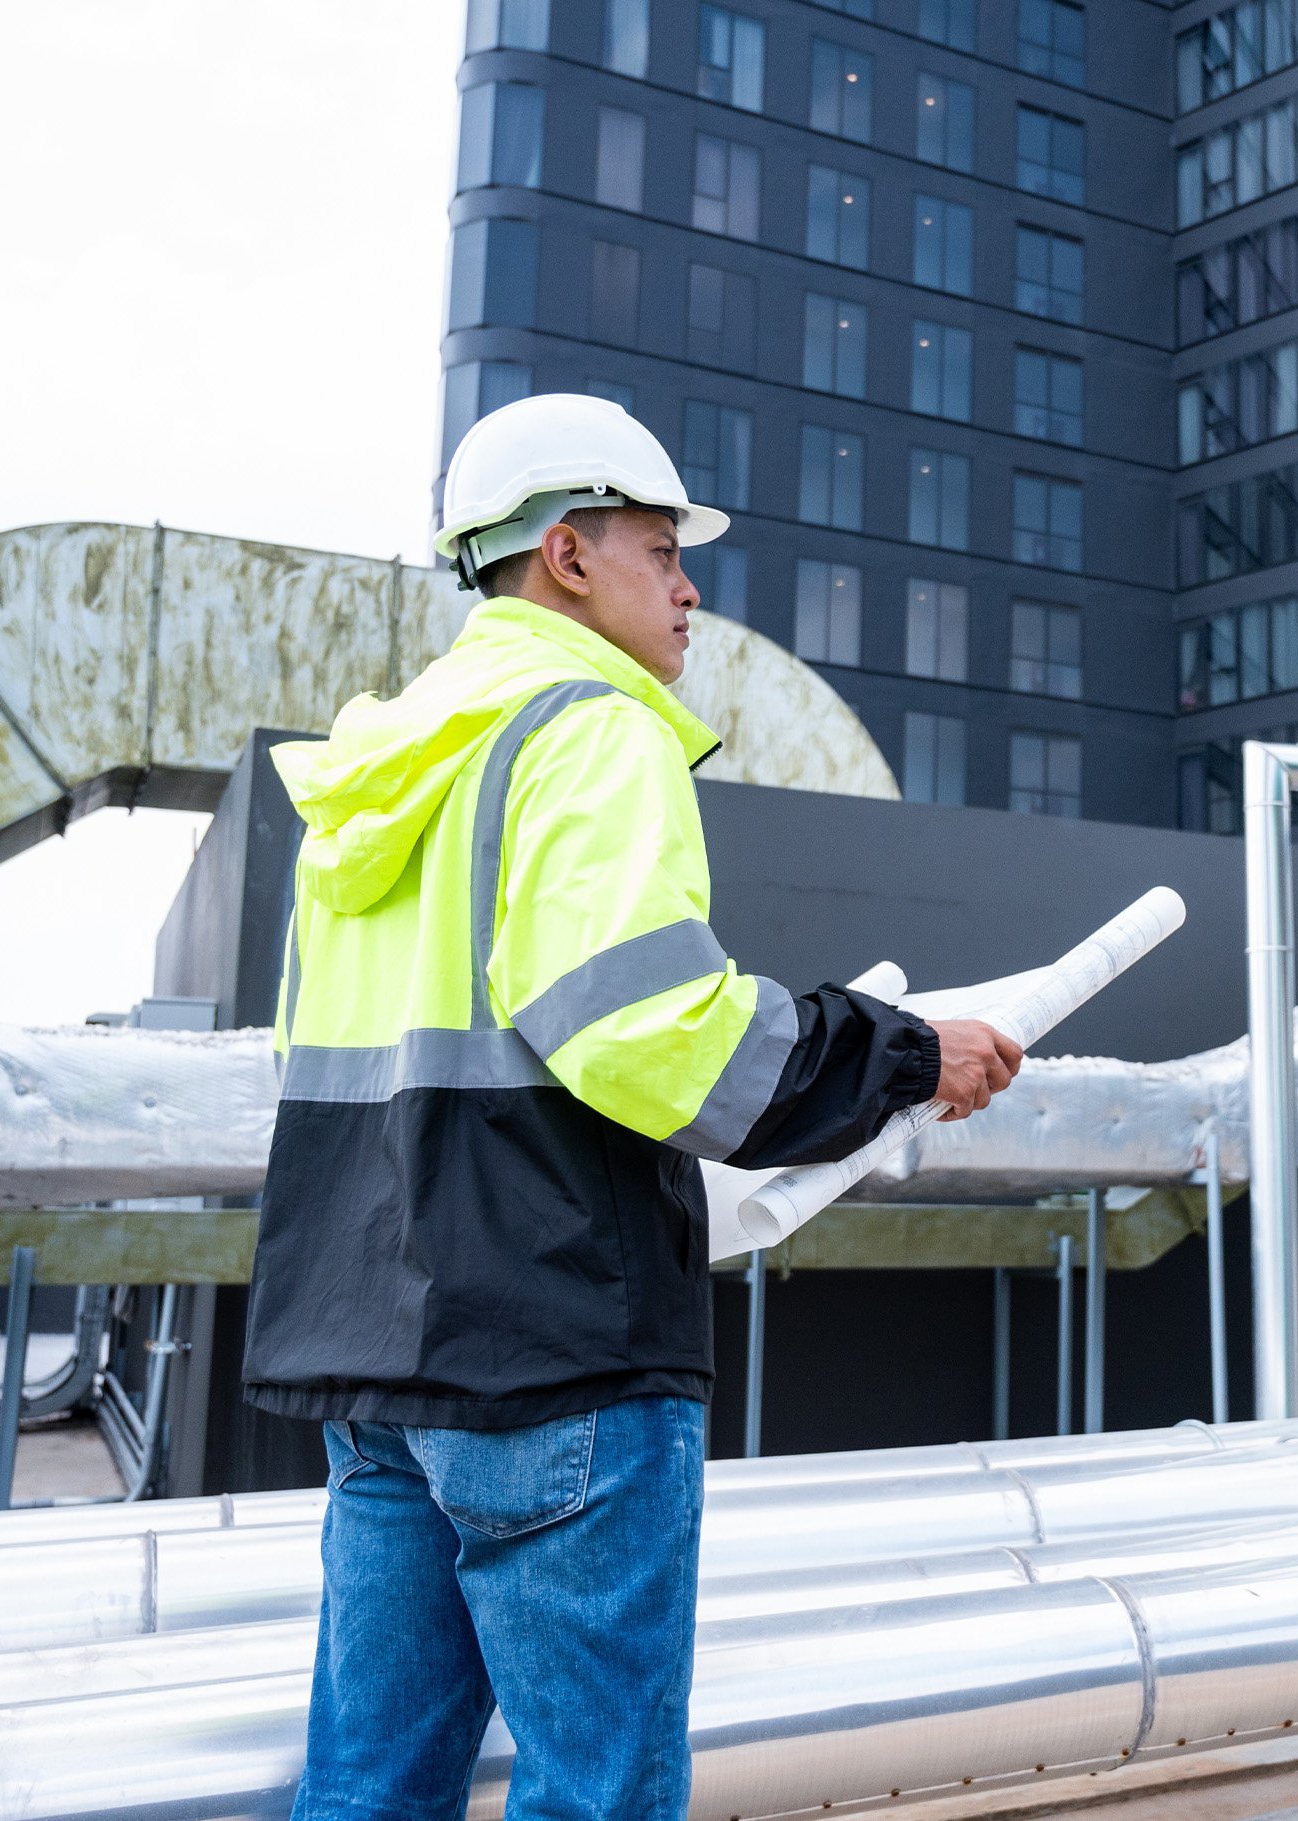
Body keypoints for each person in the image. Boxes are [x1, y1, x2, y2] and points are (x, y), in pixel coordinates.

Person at [244, 392, 1022, 1818]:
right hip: (554, 1360)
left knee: (366, 1791)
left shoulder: (374, 780)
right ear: (566, 553)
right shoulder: (593, 729)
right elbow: (646, 1031)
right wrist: (904, 1055)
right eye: (663, 548)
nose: (689, 585)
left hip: (376, 1369)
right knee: (596, 1795)